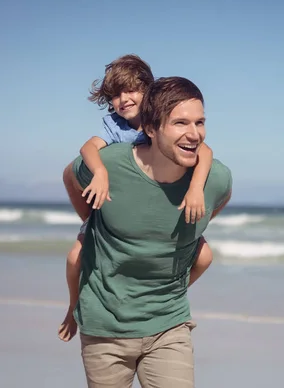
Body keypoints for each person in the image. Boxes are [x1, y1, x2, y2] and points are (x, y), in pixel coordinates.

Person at [63, 76, 232, 387]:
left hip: (170, 326)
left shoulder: (215, 179)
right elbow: (71, 175)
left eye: (200, 122)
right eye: (181, 123)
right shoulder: (109, 164)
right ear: (151, 129)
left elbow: (218, 201)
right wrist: (90, 218)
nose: (194, 134)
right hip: (104, 328)